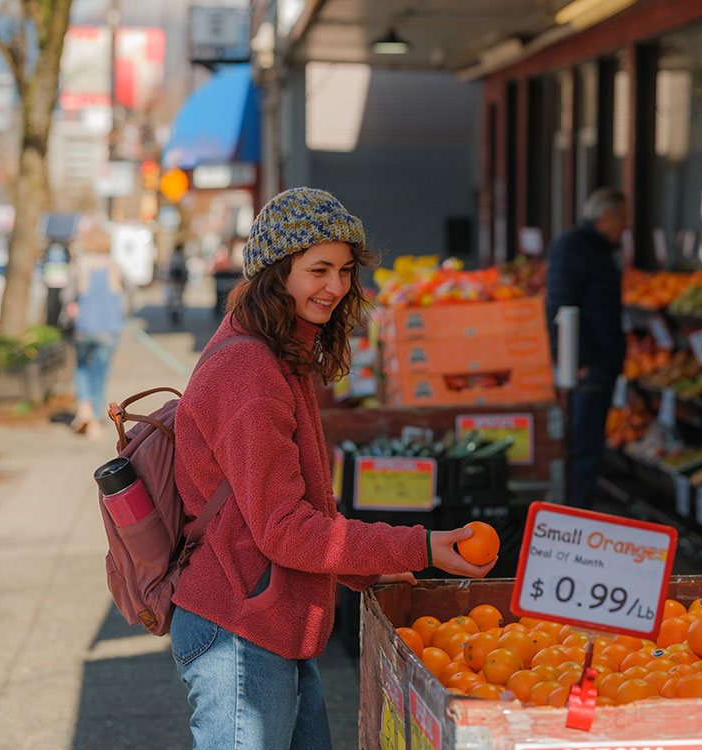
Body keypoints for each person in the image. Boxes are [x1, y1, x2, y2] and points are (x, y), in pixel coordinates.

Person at [171, 187, 493, 749]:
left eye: (345, 271)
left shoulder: (276, 351)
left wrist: (364, 569)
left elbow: (301, 513)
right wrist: (416, 546)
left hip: (271, 625)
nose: (337, 287)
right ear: (276, 272)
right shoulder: (249, 369)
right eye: (319, 269)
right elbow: (285, 529)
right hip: (240, 638)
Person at [545, 187, 630, 510]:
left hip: (598, 364)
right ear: (605, 216)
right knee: (582, 447)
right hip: (587, 368)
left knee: (589, 445)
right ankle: (574, 515)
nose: (625, 226)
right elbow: (559, 304)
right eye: (622, 217)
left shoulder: (597, 249)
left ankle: (578, 510)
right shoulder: (574, 247)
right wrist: (577, 361)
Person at [66, 225, 128, 439]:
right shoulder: (115, 266)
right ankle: (93, 419)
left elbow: (69, 294)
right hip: (109, 329)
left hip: (84, 327)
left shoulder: (80, 266)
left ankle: (84, 408)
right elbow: (127, 297)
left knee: (82, 367)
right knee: (100, 373)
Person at [165, 244, 191, 324]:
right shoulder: (180, 258)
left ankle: (174, 314)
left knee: (173, 298)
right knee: (177, 299)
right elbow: (183, 270)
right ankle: (176, 314)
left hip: (173, 282)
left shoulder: (172, 258)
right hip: (179, 282)